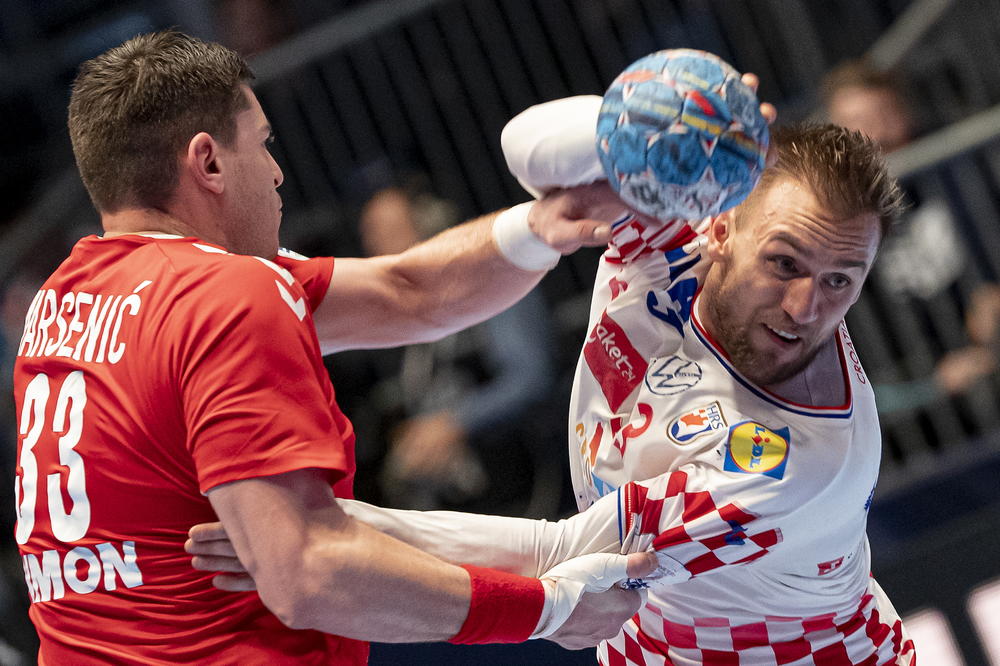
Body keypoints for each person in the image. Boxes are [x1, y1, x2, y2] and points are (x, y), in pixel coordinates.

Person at [191, 91, 918, 663]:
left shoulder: (791, 461)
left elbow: (558, 558)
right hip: (646, 648)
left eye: (839, 282)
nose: (804, 306)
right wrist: (658, 117)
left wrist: (318, 530)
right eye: (784, 264)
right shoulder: (671, 234)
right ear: (719, 226)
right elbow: (528, 152)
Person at [10, 30, 662, 664]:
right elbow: (311, 571)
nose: (276, 172)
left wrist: (541, 224)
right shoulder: (226, 291)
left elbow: (409, 292)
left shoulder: (61, 304)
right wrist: (545, 611)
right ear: (208, 162)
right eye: (261, 145)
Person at [343, 184, 557, 512]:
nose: (372, 246)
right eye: (368, 235)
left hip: (516, 475)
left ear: (426, 226)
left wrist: (457, 423)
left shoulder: (491, 281)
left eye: (385, 231)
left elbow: (529, 378)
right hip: (445, 492)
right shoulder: (409, 312)